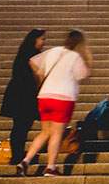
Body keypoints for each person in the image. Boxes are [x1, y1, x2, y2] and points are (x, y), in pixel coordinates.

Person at [20, 29, 90, 176]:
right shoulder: (75, 56)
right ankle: (51, 167)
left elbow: (32, 61)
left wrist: (40, 76)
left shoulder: (54, 51)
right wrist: (87, 57)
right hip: (63, 97)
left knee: (45, 132)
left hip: (45, 95)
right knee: (57, 133)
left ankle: (25, 161)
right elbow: (83, 74)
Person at [0, 29, 45, 167]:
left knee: (20, 126)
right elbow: (36, 76)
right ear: (34, 40)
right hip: (24, 95)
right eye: (42, 39)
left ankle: (17, 154)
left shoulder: (23, 53)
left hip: (18, 93)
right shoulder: (32, 55)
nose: (43, 43)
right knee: (22, 126)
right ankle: (17, 155)